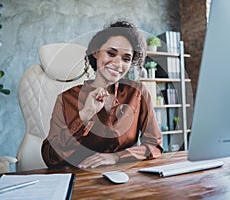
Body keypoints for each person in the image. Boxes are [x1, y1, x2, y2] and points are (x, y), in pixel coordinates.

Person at [41, 19, 163, 169]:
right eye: (111, 53)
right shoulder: (66, 99)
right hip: (81, 181)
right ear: (96, 52)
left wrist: (116, 157)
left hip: (125, 179)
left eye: (126, 58)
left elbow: (154, 144)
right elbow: (50, 158)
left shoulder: (137, 93)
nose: (118, 64)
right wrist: (84, 115)